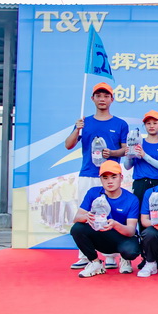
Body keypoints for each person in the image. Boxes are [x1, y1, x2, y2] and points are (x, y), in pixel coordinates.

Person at [64, 82, 129, 270]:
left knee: (110, 213)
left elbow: (125, 149)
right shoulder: (84, 122)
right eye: (99, 96)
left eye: (106, 96)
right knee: (86, 214)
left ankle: (110, 256)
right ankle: (85, 255)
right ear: (92, 99)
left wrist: (112, 153)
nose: (102, 99)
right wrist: (77, 129)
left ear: (112, 99)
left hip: (111, 177)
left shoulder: (120, 124)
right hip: (88, 174)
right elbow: (68, 145)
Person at [70, 160, 140, 278]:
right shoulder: (93, 193)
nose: (109, 181)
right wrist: (86, 217)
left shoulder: (131, 199)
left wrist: (115, 224)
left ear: (121, 177)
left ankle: (125, 259)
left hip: (121, 237)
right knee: (77, 228)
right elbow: (77, 218)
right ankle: (95, 262)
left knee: (131, 251)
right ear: (101, 179)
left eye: (114, 177)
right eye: (105, 178)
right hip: (101, 235)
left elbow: (131, 231)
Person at [124, 110, 158, 204]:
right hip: (140, 184)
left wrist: (144, 155)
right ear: (144, 125)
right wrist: (128, 156)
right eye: (148, 123)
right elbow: (127, 166)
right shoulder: (137, 142)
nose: (151, 126)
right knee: (139, 211)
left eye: (155, 123)